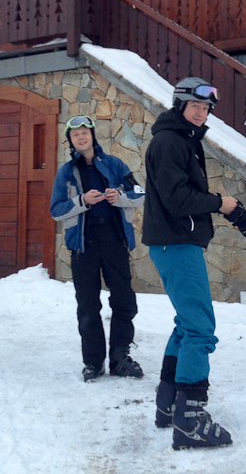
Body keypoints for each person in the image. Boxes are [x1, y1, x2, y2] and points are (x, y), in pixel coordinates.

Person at [143, 77, 246, 450]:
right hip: (176, 243)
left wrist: (233, 212)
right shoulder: (170, 141)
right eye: (195, 106)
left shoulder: (182, 139)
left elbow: (187, 195)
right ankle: (191, 420)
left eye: (206, 108)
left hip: (175, 242)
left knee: (186, 325)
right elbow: (178, 199)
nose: (201, 112)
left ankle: (169, 405)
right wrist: (220, 203)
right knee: (200, 330)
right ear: (180, 105)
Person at [50, 114, 145, 382]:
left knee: (124, 300)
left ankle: (119, 357)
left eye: (85, 132)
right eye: (75, 134)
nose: (81, 137)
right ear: (70, 140)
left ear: (92, 136)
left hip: (114, 239)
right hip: (84, 244)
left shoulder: (115, 164)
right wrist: (82, 200)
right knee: (88, 305)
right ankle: (93, 362)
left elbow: (139, 193)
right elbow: (56, 210)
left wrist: (121, 197)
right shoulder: (66, 172)